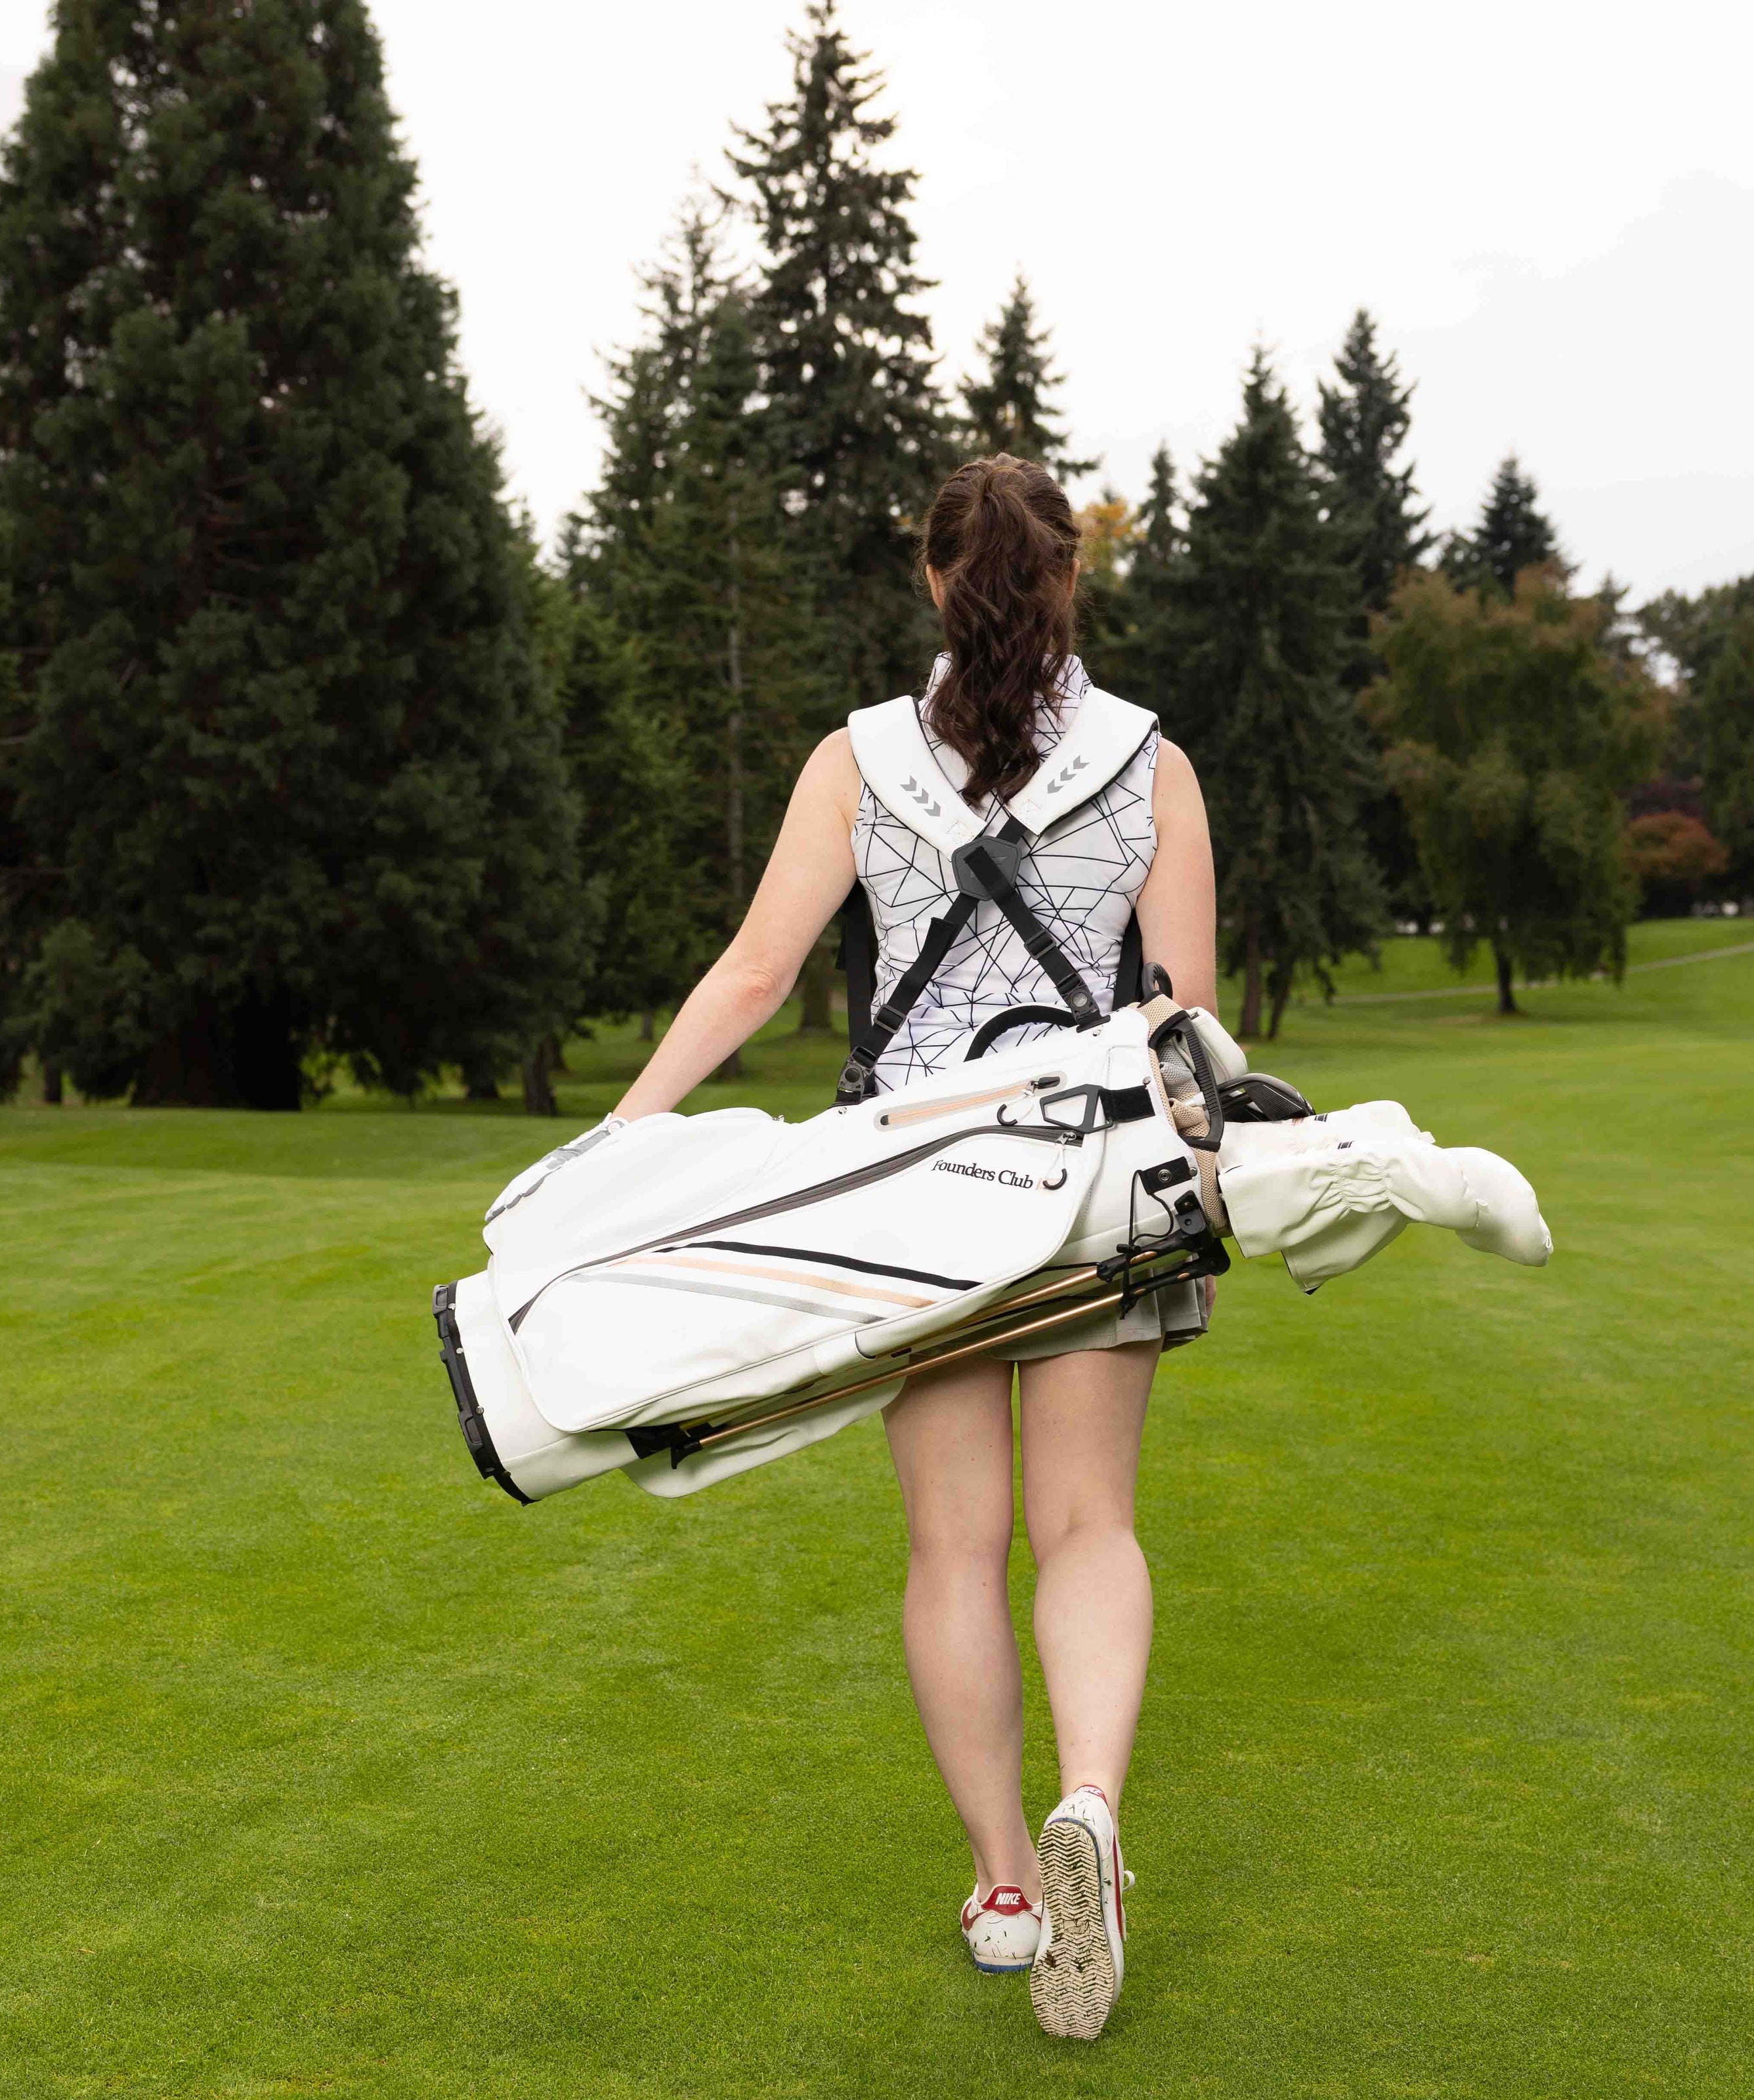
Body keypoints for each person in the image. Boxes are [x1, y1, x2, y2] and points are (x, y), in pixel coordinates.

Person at [609, 453, 1218, 2041]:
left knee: (955, 1544)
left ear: (934, 580)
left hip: (919, 1193)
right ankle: (1091, 1801)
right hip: (1089, 1177)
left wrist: (621, 1138)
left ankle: (1011, 1881)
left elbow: (753, 975)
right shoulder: (1152, 764)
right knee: (1089, 1524)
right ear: (1069, 580)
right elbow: (1187, 1025)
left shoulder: (858, 758)